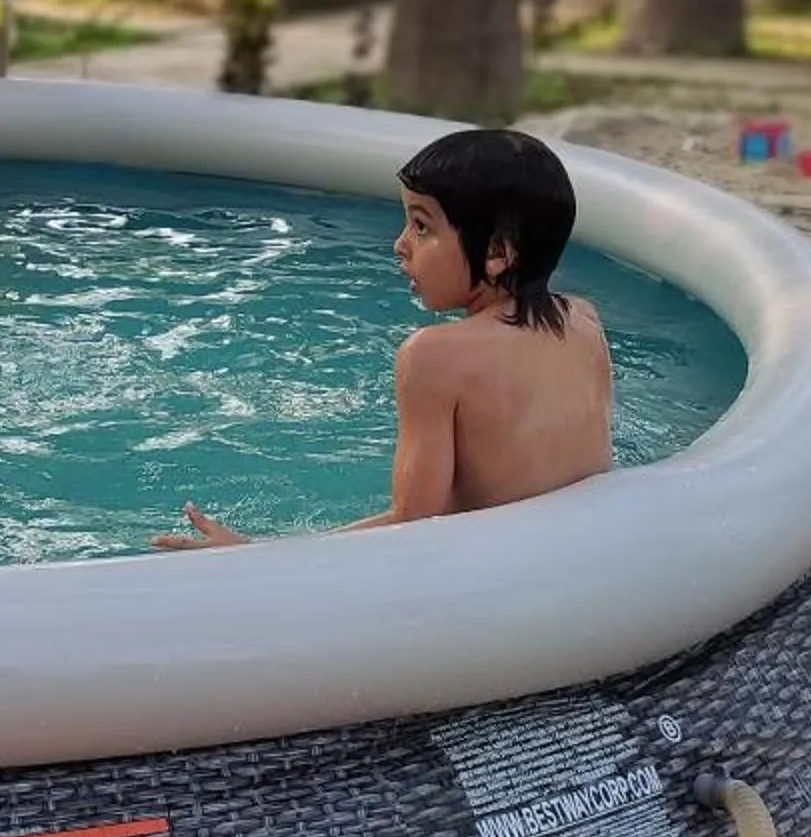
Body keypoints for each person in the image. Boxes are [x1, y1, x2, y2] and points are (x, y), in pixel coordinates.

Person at [154, 126, 611, 549]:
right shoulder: (584, 322)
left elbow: (410, 529)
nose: (400, 244)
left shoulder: (434, 356)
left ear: (496, 252)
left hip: (490, 574)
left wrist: (259, 554)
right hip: (583, 553)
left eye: (422, 226)